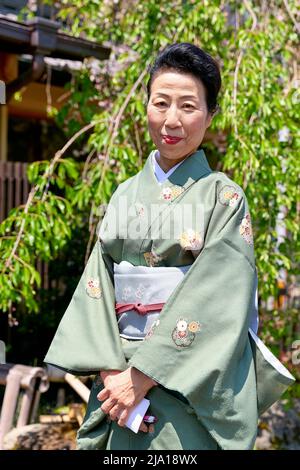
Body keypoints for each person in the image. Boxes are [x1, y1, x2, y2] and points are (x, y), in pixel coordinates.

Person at [44, 43, 295, 450]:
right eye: (160, 103)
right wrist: (114, 378)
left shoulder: (224, 197)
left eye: (188, 107)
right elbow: (98, 286)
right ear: (146, 105)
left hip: (186, 383)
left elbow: (218, 296)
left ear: (211, 114)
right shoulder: (125, 193)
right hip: (118, 381)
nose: (171, 120)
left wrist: (141, 378)